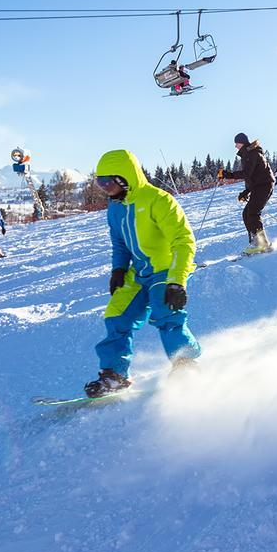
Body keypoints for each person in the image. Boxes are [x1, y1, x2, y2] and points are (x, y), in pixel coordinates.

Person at [85, 149, 201, 398]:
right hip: (139, 272)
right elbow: (119, 243)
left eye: (108, 182)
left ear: (124, 178)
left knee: (165, 313)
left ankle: (185, 365)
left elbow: (183, 241)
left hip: (166, 269)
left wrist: (177, 281)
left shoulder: (159, 200)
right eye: (99, 183)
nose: (104, 189)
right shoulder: (115, 207)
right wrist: (118, 269)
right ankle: (114, 375)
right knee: (116, 316)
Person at [221, 132, 274, 254]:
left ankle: (262, 243)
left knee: (253, 212)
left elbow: (247, 173)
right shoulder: (248, 154)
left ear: (242, 142)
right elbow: (253, 176)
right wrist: (246, 191)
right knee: (246, 213)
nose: (235, 146)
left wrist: (229, 175)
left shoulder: (252, 153)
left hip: (264, 185)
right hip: (258, 186)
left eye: (236, 143)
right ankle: (256, 242)